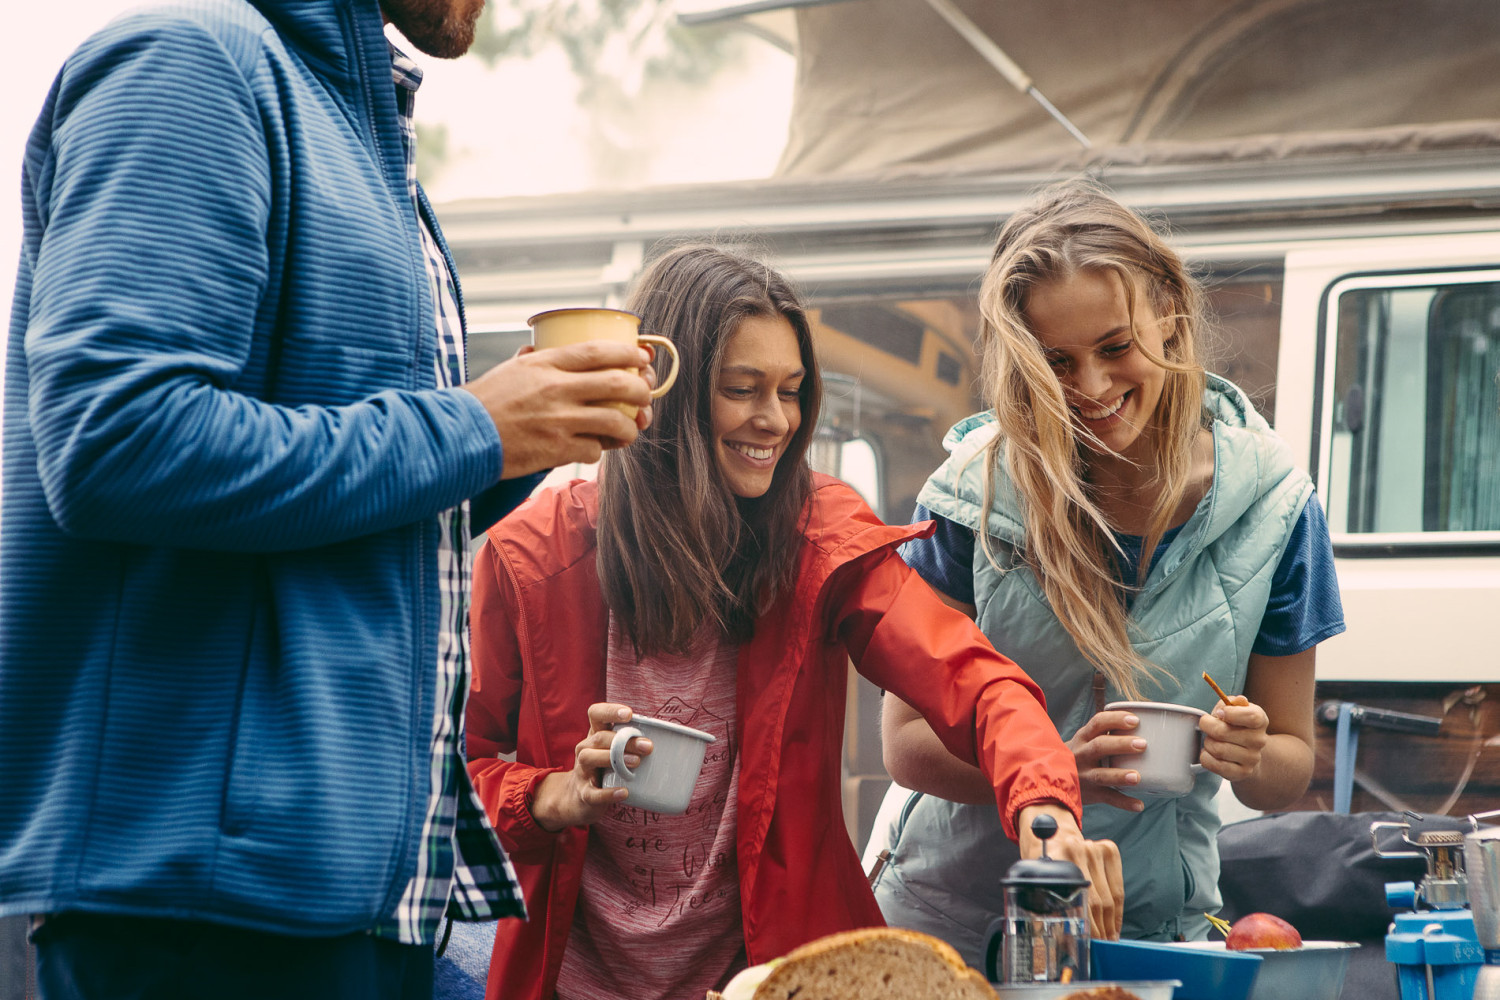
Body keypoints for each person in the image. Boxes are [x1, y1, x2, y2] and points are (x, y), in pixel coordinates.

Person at [0, 0, 658, 996]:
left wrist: (519, 442)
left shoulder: (360, 139)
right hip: (204, 914)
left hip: (363, 902)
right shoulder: (191, 66)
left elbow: (352, 503)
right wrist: (473, 428)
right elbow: (115, 441)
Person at [464, 244, 1121, 1000]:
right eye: (742, 389)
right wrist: (554, 796)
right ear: (665, 391)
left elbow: (971, 679)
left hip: (776, 981)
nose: (774, 419)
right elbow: (458, 776)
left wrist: (1044, 806)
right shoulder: (530, 557)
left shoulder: (822, 538)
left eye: (792, 390)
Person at [868, 179, 1346, 961]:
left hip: (1149, 932)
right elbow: (906, 742)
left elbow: (1287, 766)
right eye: (1056, 361)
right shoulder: (969, 496)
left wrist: (1254, 756)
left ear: (1170, 320)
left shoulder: (1278, 507)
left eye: (1116, 348)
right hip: (954, 928)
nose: (1090, 388)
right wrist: (1054, 772)